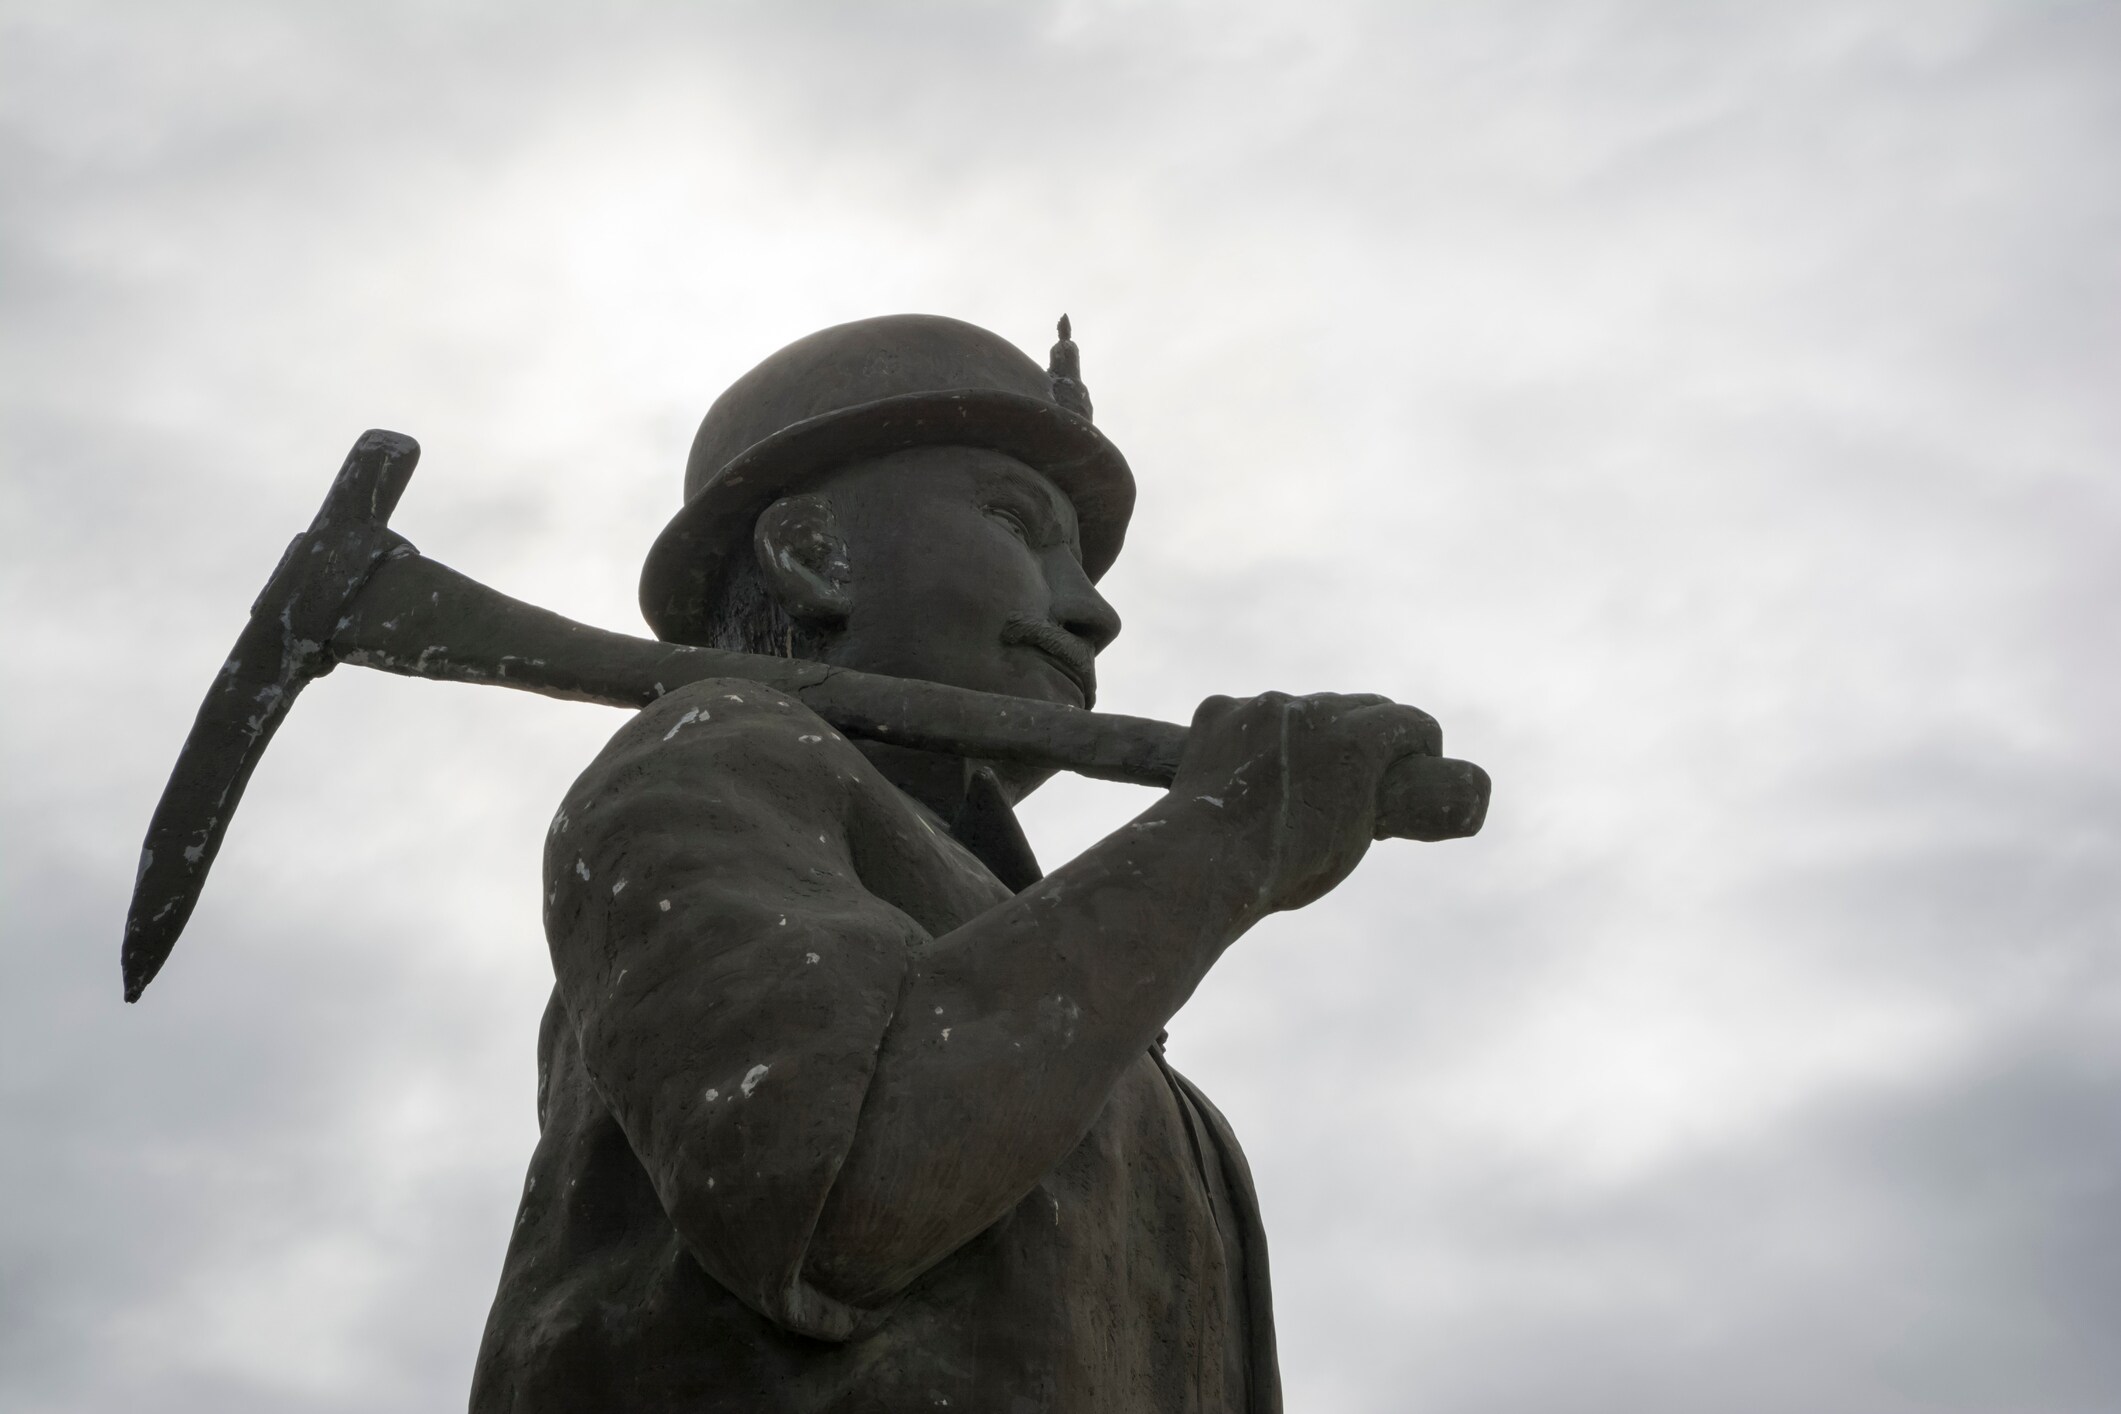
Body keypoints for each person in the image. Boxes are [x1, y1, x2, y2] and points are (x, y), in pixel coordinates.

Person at [472, 314, 1445, 1413]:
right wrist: (1221, 839)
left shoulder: (1148, 1082)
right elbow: (834, 1198)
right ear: (812, 555)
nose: (1092, 610)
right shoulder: (714, 752)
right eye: (1017, 523)